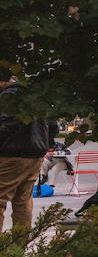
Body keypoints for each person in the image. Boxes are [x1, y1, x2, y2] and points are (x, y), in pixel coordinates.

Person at [0, 76, 59, 234]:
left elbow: (6, 125)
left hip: (11, 155)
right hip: (35, 156)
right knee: (22, 202)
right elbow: (53, 125)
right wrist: (47, 145)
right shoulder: (36, 95)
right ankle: (19, 249)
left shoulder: (9, 96)